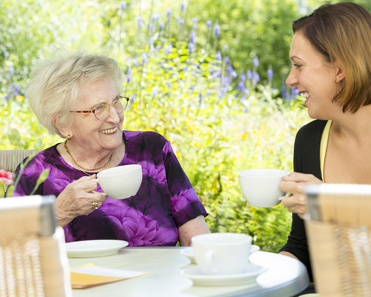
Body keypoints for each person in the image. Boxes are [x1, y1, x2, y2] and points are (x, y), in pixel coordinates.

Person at [13, 51, 210, 246]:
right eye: (98, 108)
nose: (115, 117)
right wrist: (59, 213)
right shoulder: (33, 174)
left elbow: (197, 240)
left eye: (116, 102)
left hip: (160, 277)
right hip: (82, 278)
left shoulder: (152, 151)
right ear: (63, 124)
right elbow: (9, 252)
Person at [279, 1, 371, 289]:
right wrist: (260, 276)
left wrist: (330, 203)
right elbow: (302, 247)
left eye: (299, 66)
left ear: (339, 69)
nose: (290, 79)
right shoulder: (310, 141)